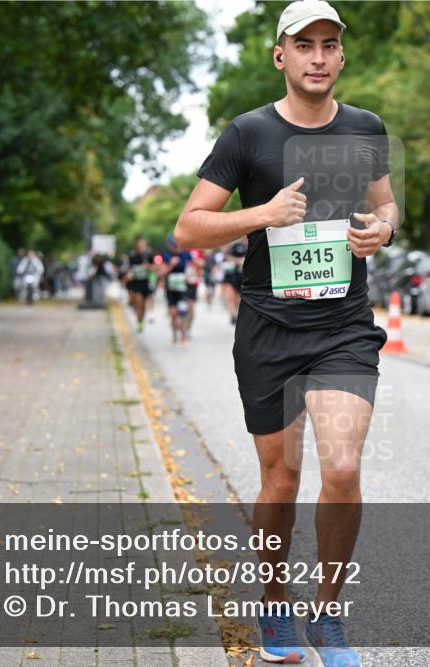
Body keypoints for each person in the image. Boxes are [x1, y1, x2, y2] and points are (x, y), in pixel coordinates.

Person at [175, 2, 398, 664]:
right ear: (281, 56)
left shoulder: (366, 128)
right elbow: (188, 227)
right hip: (269, 327)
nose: (319, 57)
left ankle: (326, 613)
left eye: (330, 45)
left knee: (345, 465)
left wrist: (380, 231)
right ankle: (274, 600)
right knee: (281, 477)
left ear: (342, 57)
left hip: (343, 328)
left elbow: (386, 205)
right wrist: (262, 214)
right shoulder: (247, 134)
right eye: (305, 45)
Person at [162, 235, 195, 345]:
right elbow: (162, 272)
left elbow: (193, 267)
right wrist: (171, 265)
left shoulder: (186, 254)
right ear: (169, 245)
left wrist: (190, 275)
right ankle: (174, 335)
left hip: (183, 289)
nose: (175, 247)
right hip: (171, 289)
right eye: (173, 245)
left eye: (177, 245)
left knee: (183, 312)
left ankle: (184, 335)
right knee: (173, 314)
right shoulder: (166, 255)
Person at [122, 237, 155, 332]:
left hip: (145, 282)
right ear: (137, 247)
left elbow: (155, 268)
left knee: (143, 304)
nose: (141, 248)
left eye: (143, 246)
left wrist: (148, 267)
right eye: (139, 246)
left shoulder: (148, 256)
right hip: (135, 283)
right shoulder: (132, 256)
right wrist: (127, 276)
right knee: (138, 302)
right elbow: (128, 268)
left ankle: (141, 319)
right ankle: (139, 320)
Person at [222, 239, 246, 325]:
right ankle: (233, 315)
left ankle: (237, 315)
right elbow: (226, 257)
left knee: (240, 299)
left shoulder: (253, 244)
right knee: (232, 297)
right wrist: (239, 260)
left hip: (244, 277)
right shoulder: (235, 245)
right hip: (232, 276)